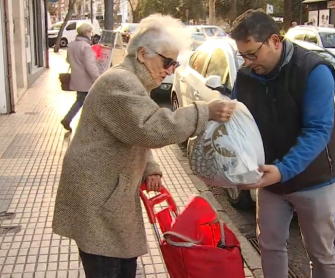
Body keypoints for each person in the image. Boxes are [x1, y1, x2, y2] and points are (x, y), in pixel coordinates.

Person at [52, 14, 235, 278]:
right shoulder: (120, 82)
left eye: (175, 63)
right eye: (167, 61)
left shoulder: (130, 79)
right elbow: (151, 127)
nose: (171, 69)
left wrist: (150, 167)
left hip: (107, 190)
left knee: (122, 262)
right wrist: (204, 111)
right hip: (99, 194)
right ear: (142, 54)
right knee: (109, 265)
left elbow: (131, 130)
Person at [230, 10, 335, 278]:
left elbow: (318, 130)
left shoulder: (313, 71)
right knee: (269, 246)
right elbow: (238, 125)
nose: (247, 62)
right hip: (270, 178)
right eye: (242, 55)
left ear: (274, 41)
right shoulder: (246, 75)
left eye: (252, 54)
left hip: (315, 178)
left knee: (320, 253)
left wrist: (283, 170)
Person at [61, 22, 99, 132]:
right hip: (87, 80)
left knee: (81, 100)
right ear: (86, 32)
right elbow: (90, 66)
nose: (91, 34)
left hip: (76, 78)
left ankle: (73, 121)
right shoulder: (86, 47)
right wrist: (98, 77)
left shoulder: (72, 44)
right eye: (90, 32)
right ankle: (69, 120)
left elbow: (68, 60)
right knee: (85, 102)